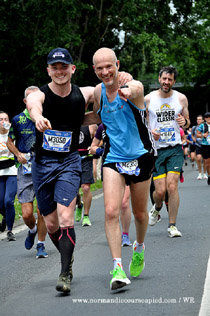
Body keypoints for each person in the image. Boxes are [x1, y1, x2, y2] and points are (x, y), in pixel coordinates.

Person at [26, 47, 131, 294]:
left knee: (65, 218)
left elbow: (109, 88)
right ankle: (66, 253)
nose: (60, 71)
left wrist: (122, 77)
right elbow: (33, 105)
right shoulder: (39, 95)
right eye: (55, 67)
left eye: (64, 67)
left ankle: (65, 272)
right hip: (42, 164)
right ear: (48, 70)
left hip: (69, 163)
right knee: (51, 225)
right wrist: (38, 117)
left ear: (72, 69)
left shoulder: (83, 94)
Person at [92, 47, 155, 290]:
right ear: (95, 70)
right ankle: (117, 267)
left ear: (117, 64)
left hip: (140, 156)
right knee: (110, 211)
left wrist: (128, 88)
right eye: (100, 68)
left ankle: (139, 247)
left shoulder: (133, 88)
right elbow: (95, 115)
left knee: (140, 213)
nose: (106, 71)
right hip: (113, 158)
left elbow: (137, 88)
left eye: (109, 66)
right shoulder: (98, 92)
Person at [145, 66, 190, 238]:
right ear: (159, 79)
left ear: (174, 81)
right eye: (164, 79)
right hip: (156, 150)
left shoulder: (181, 99)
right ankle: (156, 208)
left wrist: (183, 121)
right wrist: (151, 134)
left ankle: (172, 226)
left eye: (170, 79)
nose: (166, 82)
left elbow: (187, 123)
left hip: (174, 149)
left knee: (172, 186)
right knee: (160, 191)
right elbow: (143, 125)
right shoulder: (148, 100)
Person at [7, 86, 48, 259]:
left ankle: (41, 244)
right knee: (26, 213)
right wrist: (18, 154)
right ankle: (32, 230)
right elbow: (8, 139)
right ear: (25, 101)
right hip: (25, 170)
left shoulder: (46, 117)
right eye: (31, 99)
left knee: (43, 211)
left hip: (45, 167)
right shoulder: (17, 119)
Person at [90, 123, 132, 247]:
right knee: (111, 207)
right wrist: (97, 151)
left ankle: (125, 234)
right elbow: (93, 146)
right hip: (109, 167)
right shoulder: (102, 127)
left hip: (127, 165)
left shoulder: (127, 121)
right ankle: (114, 233)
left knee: (124, 203)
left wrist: (99, 150)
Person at [75, 124, 98, 226]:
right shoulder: (69, 120)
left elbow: (100, 140)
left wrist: (93, 147)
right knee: (74, 192)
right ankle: (79, 205)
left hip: (86, 160)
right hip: (72, 159)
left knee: (86, 188)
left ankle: (86, 216)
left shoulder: (91, 126)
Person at [0, 111, 17, 241]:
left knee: (8, 201)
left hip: (12, 171)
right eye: (1, 119)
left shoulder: (14, 135)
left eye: (6, 119)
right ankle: (6, 216)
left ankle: (10, 230)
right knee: (0, 203)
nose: (4, 121)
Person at [191, 115, 207, 180]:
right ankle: (200, 173)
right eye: (197, 119)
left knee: (205, 160)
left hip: (205, 144)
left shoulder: (206, 127)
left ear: (203, 120)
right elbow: (192, 135)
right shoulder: (194, 127)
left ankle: (205, 173)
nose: (198, 120)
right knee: (198, 158)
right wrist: (193, 139)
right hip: (198, 145)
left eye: (200, 119)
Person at [197, 112, 210, 185]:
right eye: (207, 118)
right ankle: (209, 176)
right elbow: (197, 135)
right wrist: (203, 135)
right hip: (205, 145)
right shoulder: (202, 126)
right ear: (205, 119)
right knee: (207, 163)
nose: (209, 119)